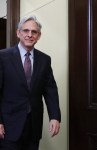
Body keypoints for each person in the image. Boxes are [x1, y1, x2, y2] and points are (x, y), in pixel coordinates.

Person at [0, 15, 61, 150]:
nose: (30, 35)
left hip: (33, 127)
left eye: (34, 32)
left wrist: (55, 117)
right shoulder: (3, 57)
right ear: (18, 33)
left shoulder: (45, 60)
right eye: (26, 31)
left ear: (39, 36)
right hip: (8, 127)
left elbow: (50, 90)